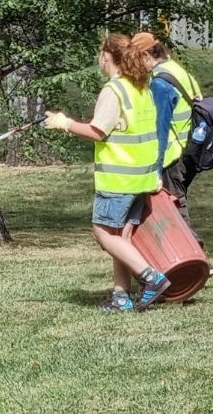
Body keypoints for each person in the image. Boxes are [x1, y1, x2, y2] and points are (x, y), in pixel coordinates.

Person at [44, 33, 171, 312]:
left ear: (105, 57)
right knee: (120, 238)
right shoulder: (140, 88)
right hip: (141, 178)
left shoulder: (114, 91)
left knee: (103, 234)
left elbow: (97, 131)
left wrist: (63, 123)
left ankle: (152, 278)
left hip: (119, 178)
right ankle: (121, 297)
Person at [135, 33, 205, 246]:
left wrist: (155, 170)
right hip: (191, 150)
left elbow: (161, 128)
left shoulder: (160, 82)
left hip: (173, 156)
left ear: (147, 54)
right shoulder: (177, 70)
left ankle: (195, 257)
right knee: (175, 205)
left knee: (174, 207)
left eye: (137, 58)